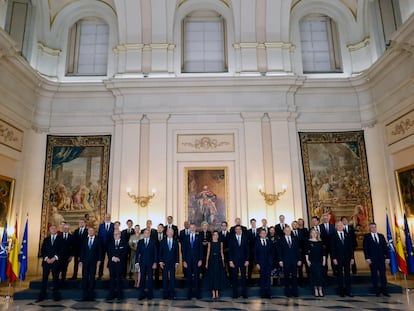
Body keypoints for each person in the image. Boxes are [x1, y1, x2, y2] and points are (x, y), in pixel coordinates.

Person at [363, 222, 390, 297]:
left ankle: (385, 291)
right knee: (374, 275)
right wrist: (367, 258)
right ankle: (377, 291)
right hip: (372, 260)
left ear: (376, 227)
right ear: (369, 228)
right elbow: (365, 248)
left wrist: (387, 257)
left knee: (383, 275)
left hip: (381, 259)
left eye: (374, 227)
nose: (373, 228)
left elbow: (385, 248)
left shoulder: (381, 236)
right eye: (371, 227)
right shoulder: (367, 236)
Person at [36, 225, 63, 302]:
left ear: (56, 230)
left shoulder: (60, 239)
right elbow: (43, 250)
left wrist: (55, 257)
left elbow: (62, 251)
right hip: (46, 262)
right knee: (44, 279)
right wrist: (47, 258)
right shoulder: (46, 239)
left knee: (55, 279)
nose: (53, 230)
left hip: (56, 262)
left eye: (54, 228)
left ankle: (56, 296)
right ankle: (42, 295)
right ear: (49, 230)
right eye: (52, 228)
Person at [330, 221, 355, 297]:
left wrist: (352, 258)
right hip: (338, 258)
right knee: (340, 275)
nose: (340, 226)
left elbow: (351, 247)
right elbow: (332, 248)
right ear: (336, 226)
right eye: (338, 225)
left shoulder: (347, 234)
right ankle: (341, 292)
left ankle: (348, 291)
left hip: (347, 258)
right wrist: (334, 258)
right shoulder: (333, 236)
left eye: (341, 225)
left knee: (347, 275)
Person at [277, 226, 302, 297]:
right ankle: (287, 292)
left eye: (289, 230)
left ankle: (295, 292)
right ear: (284, 231)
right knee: (286, 277)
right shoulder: (281, 240)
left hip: (294, 260)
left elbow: (297, 250)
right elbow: (279, 251)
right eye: (286, 230)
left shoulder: (295, 239)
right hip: (285, 261)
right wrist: (280, 260)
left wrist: (299, 259)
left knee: (294, 277)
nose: (288, 231)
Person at [181, 223, 204, 299]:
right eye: (191, 227)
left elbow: (201, 250)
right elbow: (183, 250)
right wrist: (184, 261)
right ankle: (189, 294)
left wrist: (200, 259)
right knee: (189, 277)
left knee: (197, 277)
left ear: (195, 228)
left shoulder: (199, 237)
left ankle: (197, 294)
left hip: (197, 260)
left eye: (193, 227)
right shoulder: (186, 238)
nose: (192, 228)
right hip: (187, 261)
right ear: (189, 228)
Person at [204, 230, 228, 299]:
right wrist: (206, 263)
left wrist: (223, 261)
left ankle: (217, 292)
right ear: (212, 236)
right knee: (212, 276)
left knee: (217, 276)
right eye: (214, 235)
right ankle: (213, 293)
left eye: (217, 235)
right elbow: (208, 253)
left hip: (218, 260)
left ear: (218, 236)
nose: (215, 236)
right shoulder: (210, 243)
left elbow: (221, 253)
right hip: (211, 260)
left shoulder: (220, 243)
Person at [79, 227, 101, 301]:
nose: (90, 232)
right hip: (85, 262)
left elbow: (99, 251)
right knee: (85, 277)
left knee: (92, 277)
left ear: (94, 232)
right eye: (89, 231)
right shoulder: (85, 240)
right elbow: (82, 250)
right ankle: (85, 294)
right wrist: (81, 261)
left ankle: (91, 294)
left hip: (94, 262)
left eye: (92, 231)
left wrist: (99, 260)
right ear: (88, 232)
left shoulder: (98, 240)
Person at [135, 228, 158, 300]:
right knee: (142, 278)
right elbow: (137, 253)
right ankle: (142, 294)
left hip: (151, 263)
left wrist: (155, 262)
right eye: (145, 233)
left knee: (150, 278)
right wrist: (137, 262)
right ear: (143, 234)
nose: (146, 234)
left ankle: (150, 294)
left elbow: (155, 253)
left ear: (150, 234)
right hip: (142, 263)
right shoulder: (140, 242)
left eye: (148, 233)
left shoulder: (153, 241)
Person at [228, 224, 249, 298]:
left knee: (243, 277)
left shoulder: (245, 238)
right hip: (234, 261)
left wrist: (247, 260)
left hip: (243, 260)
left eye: (239, 229)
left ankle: (244, 294)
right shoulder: (231, 238)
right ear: (235, 230)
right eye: (237, 229)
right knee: (234, 277)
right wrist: (230, 261)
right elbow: (230, 251)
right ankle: (235, 294)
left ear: (241, 230)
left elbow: (247, 250)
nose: (238, 230)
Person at [159, 228, 180, 300]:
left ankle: (172, 294)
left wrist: (177, 262)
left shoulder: (175, 241)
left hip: (173, 262)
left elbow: (177, 253)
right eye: (169, 232)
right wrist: (160, 261)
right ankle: (165, 294)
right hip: (164, 262)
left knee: (172, 278)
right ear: (167, 233)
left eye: (172, 232)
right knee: (165, 278)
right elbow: (160, 252)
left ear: (173, 233)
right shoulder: (162, 241)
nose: (170, 233)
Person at [106, 230, 127, 302]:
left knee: (119, 279)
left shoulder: (124, 242)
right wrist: (112, 257)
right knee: (111, 279)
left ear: (120, 234)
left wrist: (118, 258)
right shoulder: (110, 242)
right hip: (112, 263)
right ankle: (111, 295)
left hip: (120, 264)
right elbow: (108, 251)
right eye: (114, 234)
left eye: (117, 234)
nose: (115, 235)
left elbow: (125, 252)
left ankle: (119, 295)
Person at [306, 228, 326, 297]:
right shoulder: (308, 242)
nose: (314, 234)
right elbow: (306, 252)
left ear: (317, 234)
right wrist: (307, 260)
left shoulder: (320, 242)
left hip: (319, 261)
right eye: (312, 233)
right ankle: (315, 290)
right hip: (312, 261)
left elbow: (323, 253)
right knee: (313, 275)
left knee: (320, 275)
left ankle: (320, 289)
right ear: (311, 234)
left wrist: (324, 261)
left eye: (315, 233)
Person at [255, 228, 274, 298]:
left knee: (268, 278)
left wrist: (271, 261)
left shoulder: (269, 242)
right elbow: (255, 254)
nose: (263, 234)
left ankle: (268, 293)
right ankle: (262, 293)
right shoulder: (257, 242)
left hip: (268, 263)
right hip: (261, 263)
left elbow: (272, 253)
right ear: (259, 234)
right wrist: (257, 263)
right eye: (262, 233)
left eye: (264, 233)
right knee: (262, 278)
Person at [97, 213, 114, 279]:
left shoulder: (113, 225)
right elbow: (99, 236)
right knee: (101, 260)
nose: (107, 218)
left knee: (111, 260)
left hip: (110, 246)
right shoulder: (101, 226)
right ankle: (100, 275)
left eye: (108, 217)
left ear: (110, 218)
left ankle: (112, 274)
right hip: (102, 246)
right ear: (104, 218)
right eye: (106, 217)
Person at [247, 218, 258, 286]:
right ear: (250, 223)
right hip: (250, 252)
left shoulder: (259, 231)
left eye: (254, 222)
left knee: (259, 265)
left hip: (258, 252)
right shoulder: (248, 231)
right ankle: (249, 281)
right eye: (252, 223)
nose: (253, 224)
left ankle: (260, 281)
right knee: (250, 267)